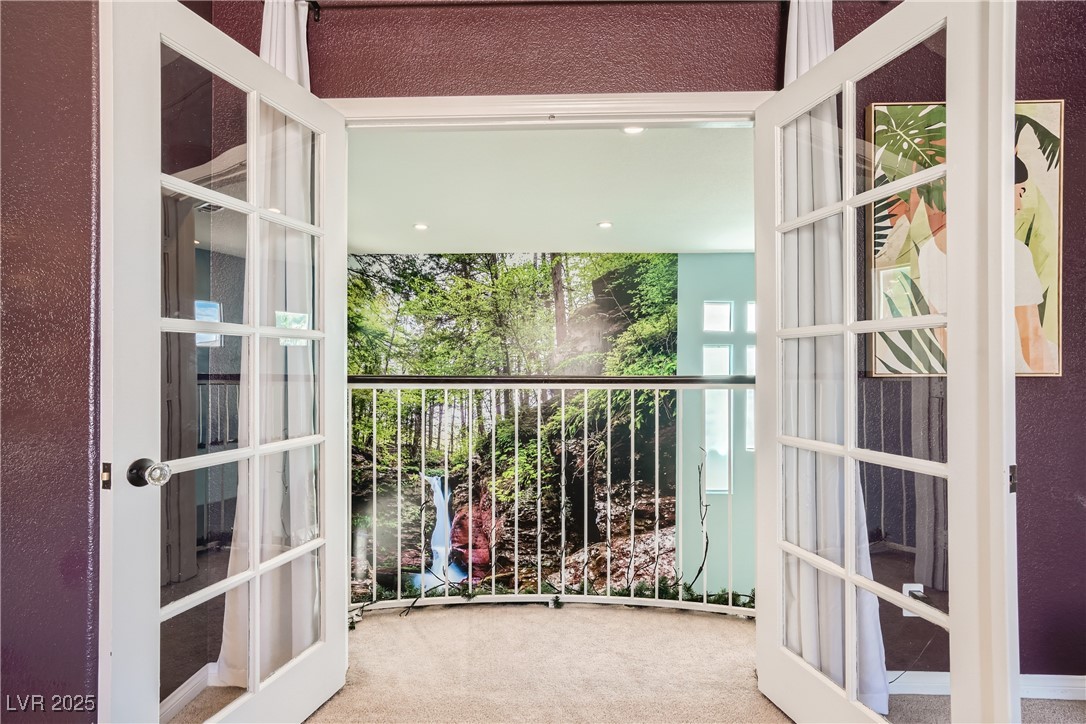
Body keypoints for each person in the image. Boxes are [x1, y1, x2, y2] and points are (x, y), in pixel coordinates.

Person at [906, 157, 1052, 373]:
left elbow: (943, 334)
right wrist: (1045, 391)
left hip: (971, 376)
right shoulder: (1012, 252)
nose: (1019, 206)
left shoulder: (928, 252)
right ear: (997, 191)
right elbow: (1031, 337)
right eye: (1019, 193)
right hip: (1015, 376)